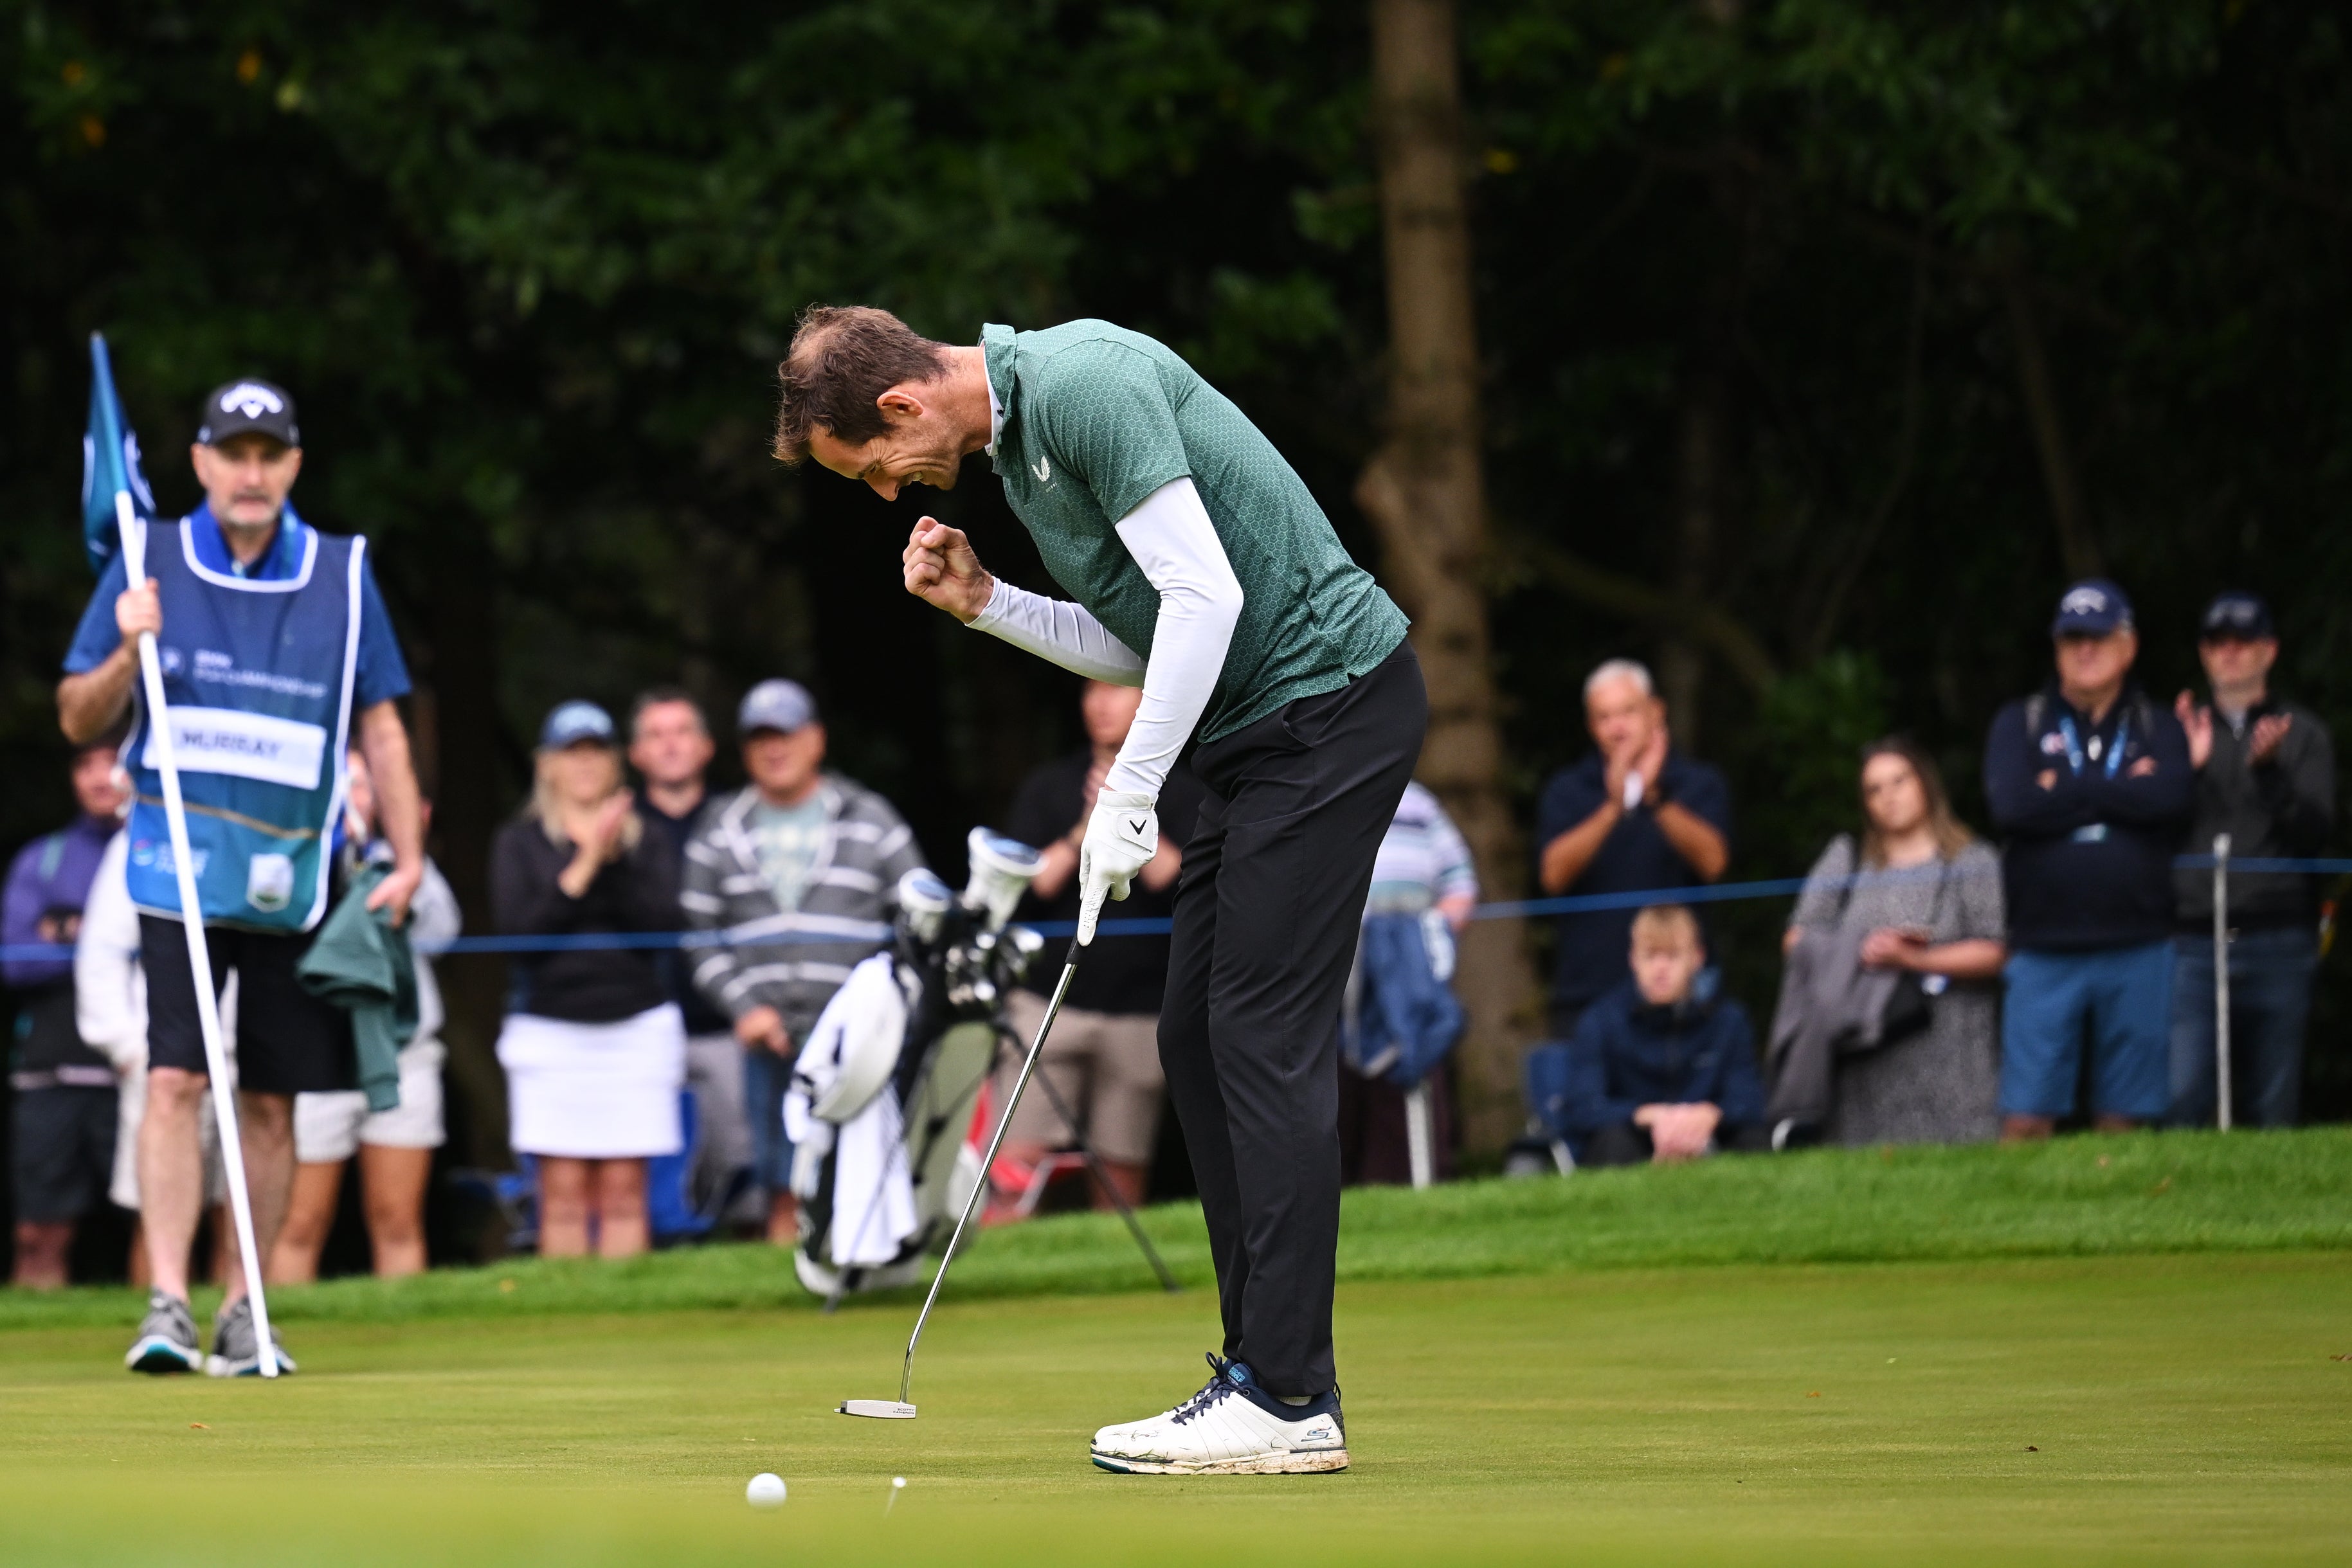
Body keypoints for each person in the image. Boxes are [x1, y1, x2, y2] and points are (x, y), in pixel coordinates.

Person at [776, 305, 1421, 1475]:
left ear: (899, 404)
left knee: (1257, 1035)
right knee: (1195, 1031)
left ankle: (1283, 1392)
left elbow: (1209, 601)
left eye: (871, 467)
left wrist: (1127, 785)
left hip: (1327, 707)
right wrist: (988, 604)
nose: (885, 492)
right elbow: (1141, 632)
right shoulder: (1022, 454)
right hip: (1253, 737)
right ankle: (1263, 1376)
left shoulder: (1081, 383)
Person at [58, 378, 424, 1377]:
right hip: (174, 857)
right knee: (175, 1075)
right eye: (235, 451)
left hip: (294, 868)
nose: (252, 471)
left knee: (269, 1098)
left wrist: (411, 855)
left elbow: (380, 719)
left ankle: (242, 1306)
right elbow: (78, 717)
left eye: (271, 453)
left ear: (294, 463)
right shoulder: (147, 557)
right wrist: (130, 645)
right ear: (204, 463)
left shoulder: (343, 572)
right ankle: (169, 1300)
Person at [680, 680, 925, 1244]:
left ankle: (869, 1284)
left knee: (870, 1172)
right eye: (761, 737)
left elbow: (918, 916)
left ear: (815, 740)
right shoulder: (718, 828)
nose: (774, 749)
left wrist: (881, 1006)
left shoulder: (870, 815)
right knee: (783, 1184)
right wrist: (744, 1008)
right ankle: (792, 1296)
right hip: (772, 1039)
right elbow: (698, 936)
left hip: (863, 1038)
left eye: (786, 734)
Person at [1984, 580, 2193, 1140]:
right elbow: (2013, 806)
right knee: (2027, 1115)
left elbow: (2171, 799)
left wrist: (2065, 790)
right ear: (2056, 649)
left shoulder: (2159, 724)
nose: (2085, 650)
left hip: (2139, 941)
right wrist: (2118, 790)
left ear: (2128, 647)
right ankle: (2015, 1225)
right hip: (2044, 946)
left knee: (2125, 1117)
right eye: (2073, 638)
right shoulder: (2018, 721)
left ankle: (2122, 1224)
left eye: (2099, 638)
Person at [993, 679, 1204, 1213]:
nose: (1101, 703)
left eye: (1117, 688)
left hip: (1139, 1008)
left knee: (1121, 1171)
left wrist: (1127, 817)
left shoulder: (1183, 789)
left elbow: (1180, 883)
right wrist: (1084, 829)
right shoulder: (1050, 787)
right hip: (1048, 1003)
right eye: (1092, 690)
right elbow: (1027, 886)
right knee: (1014, 1164)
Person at [491, 702, 683, 1259]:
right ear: (546, 764)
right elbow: (521, 936)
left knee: (626, 1188)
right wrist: (585, 862)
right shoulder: (519, 842)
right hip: (549, 1031)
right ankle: (568, 1317)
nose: (585, 764)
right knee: (563, 1190)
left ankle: (626, 1328)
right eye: (571, 752)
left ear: (616, 762)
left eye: (596, 750)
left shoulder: (648, 840)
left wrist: (614, 857)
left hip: (637, 1028)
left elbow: (663, 926)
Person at [271, 749, 459, 1282]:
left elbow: (441, 933)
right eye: (342, 784)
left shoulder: (401, 859)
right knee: (299, 1222)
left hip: (402, 1055)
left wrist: (407, 858)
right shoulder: (289, 858)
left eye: (362, 785)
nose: (353, 797)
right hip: (313, 1060)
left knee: (397, 1219)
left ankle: (406, 1353)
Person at [1779, 740, 2007, 1146]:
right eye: (1874, 789)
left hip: (1954, 1060)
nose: (1888, 797)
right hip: (1862, 1059)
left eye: (1899, 781)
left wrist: (1915, 958)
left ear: (1926, 785)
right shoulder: (1846, 859)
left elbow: (1996, 951)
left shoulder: (1972, 860)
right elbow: (1797, 940)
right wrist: (1860, 949)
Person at [2169, 592, 2336, 1128]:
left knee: (2273, 1101)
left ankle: (2273, 1210)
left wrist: (2269, 773)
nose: (2231, 653)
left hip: (2279, 940)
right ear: (2204, 653)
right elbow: (2154, 833)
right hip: (2194, 941)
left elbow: (2316, 834)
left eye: (2244, 641)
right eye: (2219, 642)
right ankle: (2178, 1208)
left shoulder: (2303, 734)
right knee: (2183, 1095)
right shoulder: (2177, 731)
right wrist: (2185, 771)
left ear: (2270, 651)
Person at [1534, 660, 1732, 1039]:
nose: (1617, 728)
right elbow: (1552, 877)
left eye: (1628, 712)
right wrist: (1614, 806)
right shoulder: (1568, 790)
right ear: (1592, 728)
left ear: (1656, 711)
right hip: (1589, 995)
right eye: (1604, 718)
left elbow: (1714, 864)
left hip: (1687, 993)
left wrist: (1653, 797)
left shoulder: (1698, 783)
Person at [77, 820, 236, 1292]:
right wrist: (127, 1047)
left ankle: (240, 1322)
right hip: (163, 1055)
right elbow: (102, 951)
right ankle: (168, 1316)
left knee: (238, 1213)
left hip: (247, 1056)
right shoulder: (141, 832)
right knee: (159, 1215)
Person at [626, 688, 754, 1225]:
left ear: (705, 747)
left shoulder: (742, 823)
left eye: (681, 732)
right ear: (636, 755)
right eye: (656, 734)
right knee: (649, 1191)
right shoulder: (615, 828)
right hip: (638, 1030)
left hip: (729, 1028)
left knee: (746, 1180)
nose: (670, 745)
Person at [5, 742, 129, 1288]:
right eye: (87, 765)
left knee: (162, 1225)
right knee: (40, 1231)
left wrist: (66, 928)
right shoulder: (44, 857)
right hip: (52, 1067)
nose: (102, 778)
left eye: (114, 762)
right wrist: (105, 942)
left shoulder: (158, 848)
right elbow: (15, 961)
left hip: (143, 1063)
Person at [1339, 780, 1477, 1185]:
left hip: (1407, 981)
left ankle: (1414, 1186)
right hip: (1336, 980)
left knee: (1408, 1075)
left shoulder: (1420, 805)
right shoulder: (1315, 792)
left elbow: (1460, 883)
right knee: (1334, 1094)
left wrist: (1427, 941)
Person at [1558, 904, 1769, 1166]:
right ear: (1633, 959)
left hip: (1711, 1140)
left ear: (1697, 958)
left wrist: (1709, 1115)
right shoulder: (1601, 1020)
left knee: (1752, 1138)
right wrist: (1648, 1116)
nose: (1660, 968)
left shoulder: (1729, 1020)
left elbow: (1750, 1099)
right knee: (1613, 1141)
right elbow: (1582, 1106)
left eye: (1672, 956)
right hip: (1633, 1142)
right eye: (1650, 956)